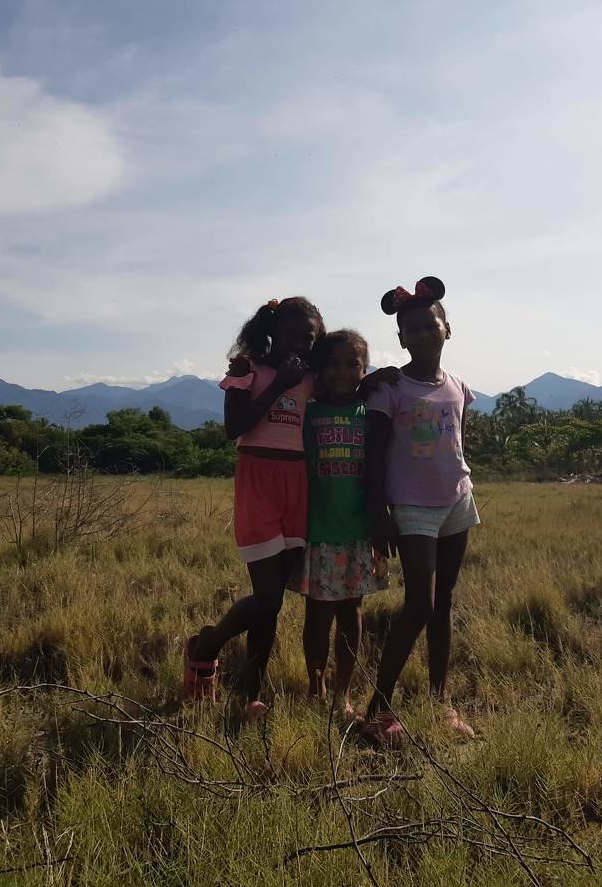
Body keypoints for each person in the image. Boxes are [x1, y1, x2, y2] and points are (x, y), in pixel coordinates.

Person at [184, 297, 324, 720]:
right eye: (294, 335)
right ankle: (206, 643)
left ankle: (251, 695)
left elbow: (347, 381)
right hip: (258, 481)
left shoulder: (311, 377)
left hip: (297, 484)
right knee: (267, 600)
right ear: (274, 332)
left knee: (274, 601)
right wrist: (279, 384)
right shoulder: (249, 369)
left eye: (309, 338)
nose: (301, 343)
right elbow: (234, 428)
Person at [360, 276, 480, 747]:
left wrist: (460, 485)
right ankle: (378, 709)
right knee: (419, 605)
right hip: (411, 509)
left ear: (447, 328)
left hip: (457, 501)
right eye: (411, 329)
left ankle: (439, 701)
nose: (423, 334)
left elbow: (457, 441)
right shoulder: (390, 388)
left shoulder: (458, 387)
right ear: (401, 338)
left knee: (443, 602)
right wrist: (378, 513)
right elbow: (372, 455)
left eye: (430, 325)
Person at [286, 330, 389, 720]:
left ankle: (341, 694)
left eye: (353, 364)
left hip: (359, 533)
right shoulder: (308, 414)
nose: (342, 372)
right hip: (318, 533)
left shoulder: (371, 415)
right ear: (319, 368)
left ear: (365, 369)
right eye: (333, 363)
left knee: (352, 614)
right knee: (317, 617)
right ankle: (317, 687)